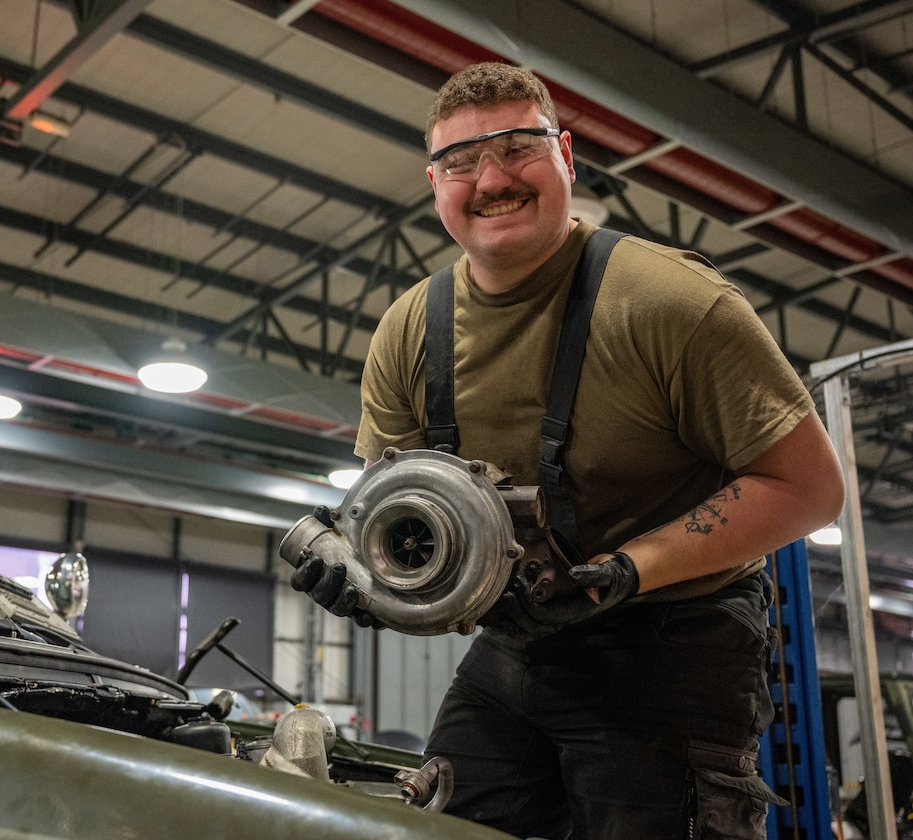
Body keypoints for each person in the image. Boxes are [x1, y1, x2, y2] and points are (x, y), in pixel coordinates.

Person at [290, 62, 845, 839]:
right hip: (518, 640)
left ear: (566, 157)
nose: (491, 179)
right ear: (434, 182)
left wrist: (628, 570)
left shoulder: (673, 304)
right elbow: (396, 509)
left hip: (674, 637)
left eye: (518, 147)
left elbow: (809, 488)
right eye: (460, 161)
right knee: (440, 824)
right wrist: (363, 575)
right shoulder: (408, 331)